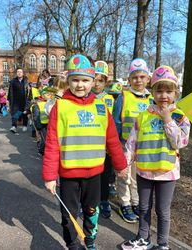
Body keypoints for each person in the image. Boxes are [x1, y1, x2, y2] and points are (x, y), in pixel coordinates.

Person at [43, 54, 127, 250]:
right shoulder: (61, 106)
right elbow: (53, 143)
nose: (80, 85)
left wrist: (120, 164)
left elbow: (112, 139)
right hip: (69, 175)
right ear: (68, 81)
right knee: (69, 214)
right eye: (75, 80)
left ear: (93, 81)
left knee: (91, 210)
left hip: (95, 174)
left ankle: (90, 239)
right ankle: (73, 244)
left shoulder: (101, 107)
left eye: (85, 80)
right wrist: (49, 175)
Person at [121, 66, 190, 250]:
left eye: (169, 91)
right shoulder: (143, 116)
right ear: (152, 92)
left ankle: (162, 244)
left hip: (167, 173)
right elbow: (131, 143)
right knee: (143, 208)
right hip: (144, 170)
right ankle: (143, 238)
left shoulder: (180, 117)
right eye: (159, 91)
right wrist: (123, 165)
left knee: (162, 211)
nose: (164, 96)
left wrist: (168, 120)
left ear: (176, 92)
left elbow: (180, 142)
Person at [113, 58, 154, 223]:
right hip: (125, 145)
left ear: (148, 78)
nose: (138, 81)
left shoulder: (152, 99)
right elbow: (116, 121)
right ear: (129, 79)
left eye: (142, 77)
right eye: (134, 77)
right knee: (124, 175)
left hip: (143, 146)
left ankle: (136, 202)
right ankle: (125, 203)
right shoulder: (123, 97)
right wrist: (114, 145)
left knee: (138, 176)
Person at [92, 60, 115, 219]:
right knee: (91, 174)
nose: (97, 84)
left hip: (105, 144)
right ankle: (90, 201)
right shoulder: (86, 97)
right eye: (94, 79)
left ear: (105, 82)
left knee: (105, 173)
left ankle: (104, 199)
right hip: (90, 144)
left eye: (100, 80)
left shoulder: (111, 100)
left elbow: (113, 122)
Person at [31, 87, 53, 156]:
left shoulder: (51, 103)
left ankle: (45, 149)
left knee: (49, 139)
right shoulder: (38, 104)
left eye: (50, 94)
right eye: (47, 94)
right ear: (43, 95)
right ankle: (41, 150)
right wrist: (38, 127)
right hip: (42, 125)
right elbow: (36, 116)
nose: (49, 96)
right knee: (44, 140)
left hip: (50, 124)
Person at [7, 68, 29, 134]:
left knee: (24, 113)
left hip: (24, 100)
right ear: (16, 73)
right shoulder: (13, 81)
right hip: (15, 101)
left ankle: (25, 125)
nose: (19, 73)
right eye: (18, 72)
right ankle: (14, 126)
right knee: (14, 113)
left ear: (23, 73)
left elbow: (29, 91)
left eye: (20, 72)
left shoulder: (26, 81)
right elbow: (10, 92)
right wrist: (8, 101)